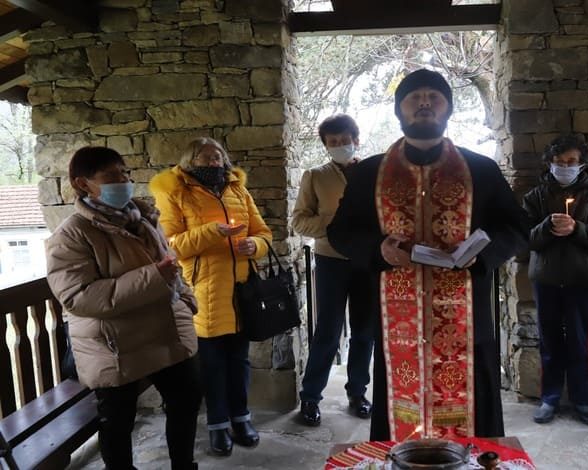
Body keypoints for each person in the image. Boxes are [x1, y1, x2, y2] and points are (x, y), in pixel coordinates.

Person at [327, 69, 530, 441]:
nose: (424, 103)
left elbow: (516, 228)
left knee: (475, 423)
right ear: (399, 109)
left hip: (466, 318)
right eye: (414, 97)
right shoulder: (370, 172)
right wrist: (378, 249)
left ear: (448, 108)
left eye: (433, 97)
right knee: (398, 414)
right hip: (398, 320)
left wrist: (480, 255)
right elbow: (340, 231)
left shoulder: (480, 169)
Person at [46, 146, 201, 470]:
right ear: (83, 183)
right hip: (113, 344)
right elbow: (78, 296)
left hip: (163, 330)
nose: (124, 180)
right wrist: (152, 277)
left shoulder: (143, 218)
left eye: (125, 173)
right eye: (112, 175)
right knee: (117, 422)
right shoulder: (72, 235)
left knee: (186, 400)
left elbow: (169, 264)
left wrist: (186, 300)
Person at [149, 137, 273, 457]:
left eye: (218, 156)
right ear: (190, 161)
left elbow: (262, 233)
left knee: (239, 361)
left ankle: (241, 418)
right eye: (205, 157)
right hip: (203, 290)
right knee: (212, 365)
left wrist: (254, 246)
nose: (214, 161)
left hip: (240, 291)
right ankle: (217, 425)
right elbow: (171, 245)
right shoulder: (175, 192)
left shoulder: (237, 190)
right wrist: (212, 232)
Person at [523, 135, 588, 426]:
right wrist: (547, 227)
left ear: (581, 164)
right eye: (559, 162)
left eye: (571, 162)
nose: (565, 166)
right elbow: (524, 238)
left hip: (582, 280)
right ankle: (549, 399)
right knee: (549, 342)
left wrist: (577, 229)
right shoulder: (535, 197)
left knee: (579, 342)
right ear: (550, 163)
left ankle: (582, 400)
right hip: (547, 280)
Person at [292, 114, 374, 426]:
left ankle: (358, 392)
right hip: (330, 260)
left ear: (356, 138)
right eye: (333, 142)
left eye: (345, 140)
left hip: (367, 261)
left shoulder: (372, 172)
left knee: (365, 332)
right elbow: (299, 220)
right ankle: (310, 398)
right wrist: (334, 222)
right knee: (327, 331)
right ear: (326, 145)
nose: (340, 146)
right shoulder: (315, 176)